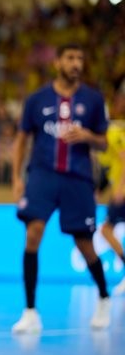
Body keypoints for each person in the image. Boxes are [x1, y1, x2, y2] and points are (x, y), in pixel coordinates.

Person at [11, 44, 109, 333]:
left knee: (85, 244)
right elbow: (21, 139)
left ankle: (104, 298)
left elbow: (104, 142)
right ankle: (30, 311)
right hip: (42, 175)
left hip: (78, 178)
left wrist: (88, 135)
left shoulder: (92, 99)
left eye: (80, 58)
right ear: (58, 63)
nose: (76, 63)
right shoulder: (37, 99)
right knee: (33, 234)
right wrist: (16, 178)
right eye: (70, 58)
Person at [98, 76, 125, 296]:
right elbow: (110, 168)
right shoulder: (107, 135)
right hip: (118, 186)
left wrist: (121, 188)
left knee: (106, 229)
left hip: (123, 190)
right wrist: (101, 188)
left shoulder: (114, 132)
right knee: (107, 229)